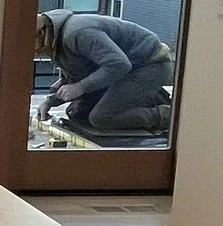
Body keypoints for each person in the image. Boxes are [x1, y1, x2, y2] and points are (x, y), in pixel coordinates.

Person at [35, 9, 174, 134]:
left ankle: (170, 116)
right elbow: (83, 73)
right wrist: (50, 102)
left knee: (101, 118)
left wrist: (80, 87)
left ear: (40, 33)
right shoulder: (55, 40)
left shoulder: (78, 33)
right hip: (125, 72)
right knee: (77, 112)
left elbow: (119, 64)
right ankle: (138, 99)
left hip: (150, 65)